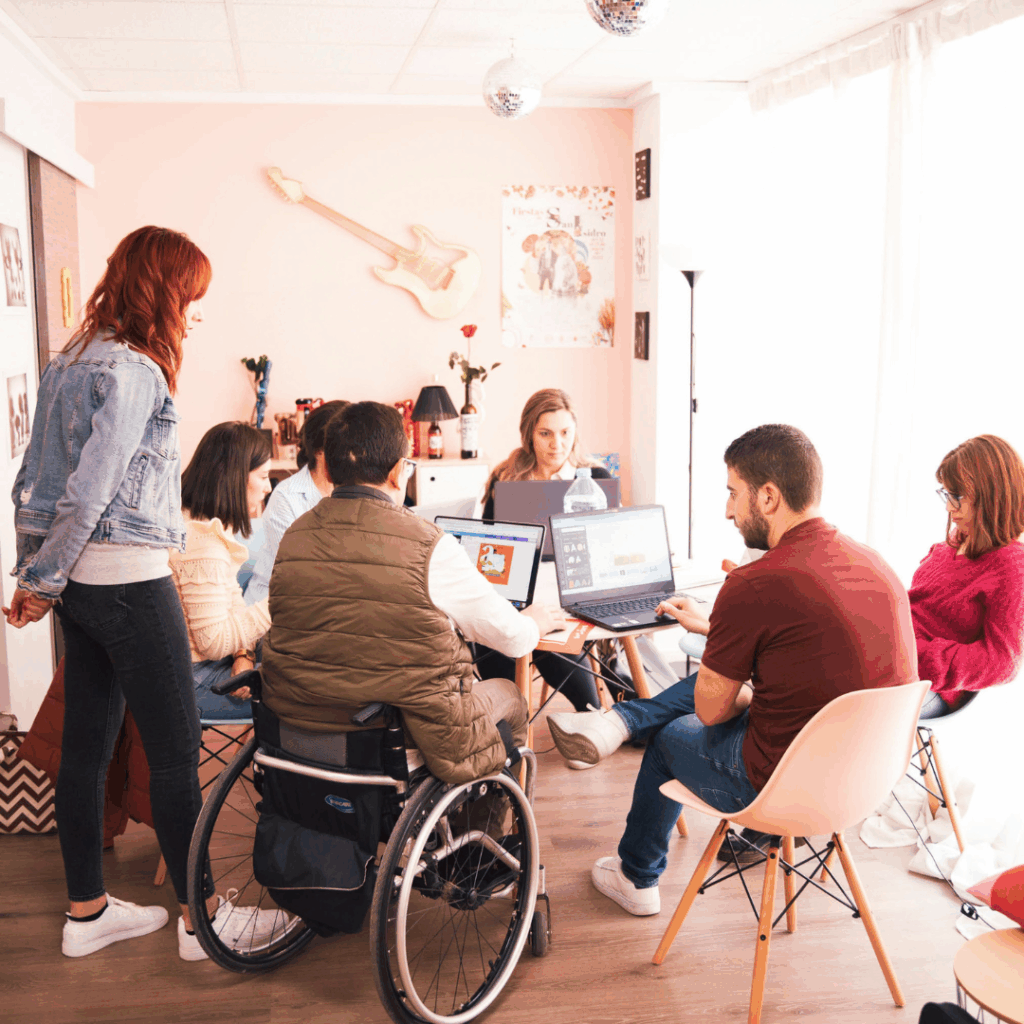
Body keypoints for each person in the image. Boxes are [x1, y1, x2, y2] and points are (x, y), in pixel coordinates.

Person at [4, 226, 277, 960]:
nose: (195, 314)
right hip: (129, 582)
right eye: (192, 298)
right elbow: (88, 490)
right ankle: (202, 921)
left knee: (89, 750)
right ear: (163, 290)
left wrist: (40, 577)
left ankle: (87, 912)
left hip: (84, 594)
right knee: (174, 750)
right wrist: (40, 578)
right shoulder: (135, 372)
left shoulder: (70, 361)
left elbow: (33, 484)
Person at [546, 424, 918, 913]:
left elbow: (711, 713)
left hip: (783, 785)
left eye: (732, 493)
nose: (727, 509)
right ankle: (617, 721)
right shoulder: (877, 563)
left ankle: (637, 877)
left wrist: (737, 673)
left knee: (671, 737)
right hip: (866, 781)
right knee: (724, 685)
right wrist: (721, 636)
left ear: (767, 496)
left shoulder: (756, 582)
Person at [260, 401, 566, 785]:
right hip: (390, 735)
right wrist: (532, 620)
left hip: (296, 727)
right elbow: (514, 638)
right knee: (508, 694)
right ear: (397, 471)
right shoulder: (429, 546)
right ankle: (487, 830)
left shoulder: (296, 534)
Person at [477, 389, 613, 744]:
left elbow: (608, 544)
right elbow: (491, 550)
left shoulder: (595, 477)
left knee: (543, 627)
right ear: (529, 434)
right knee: (504, 627)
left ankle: (592, 715)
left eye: (565, 433)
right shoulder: (506, 477)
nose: (557, 444)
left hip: (575, 590)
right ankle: (508, 725)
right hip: (519, 591)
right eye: (546, 434)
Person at [914, 434, 1024, 719]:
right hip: (895, 658)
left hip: (925, 684)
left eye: (957, 496)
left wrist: (920, 658)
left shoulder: (1012, 566)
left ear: (991, 497)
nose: (949, 507)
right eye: (946, 494)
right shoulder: (948, 545)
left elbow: (1003, 663)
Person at [172, 421, 274, 719]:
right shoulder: (203, 545)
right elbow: (213, 642)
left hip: (200, 667)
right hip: (195, 679)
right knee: (306, 690)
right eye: (264, 476)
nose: (268, 487)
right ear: (235, 477)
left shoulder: (202, 527)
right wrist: (280, 602)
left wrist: (244, 654)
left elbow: (231, 606)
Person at [244, 399, 348, 605]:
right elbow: (301, 572)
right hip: (273, 608)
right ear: (321, 451)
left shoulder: (351, 491)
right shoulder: (286, 496)